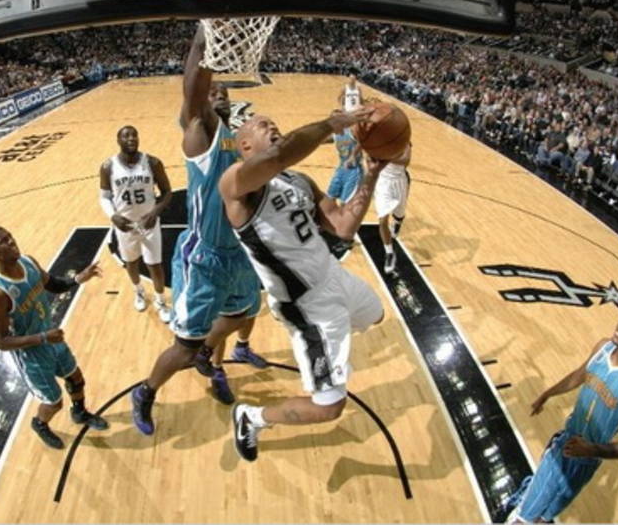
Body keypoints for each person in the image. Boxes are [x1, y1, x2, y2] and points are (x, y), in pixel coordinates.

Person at [218, 108, 394, 462]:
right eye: (262, 125)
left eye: (274, 122)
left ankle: (329, 354)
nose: (272, 124)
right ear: (245, 145)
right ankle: (252, 417)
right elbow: (278, 155)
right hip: (308, 306)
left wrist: (371, 175)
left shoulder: (298, 180)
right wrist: (330, 125)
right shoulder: (236, 185)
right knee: (329, 407)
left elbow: (342, 227)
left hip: (333, 276)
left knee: (376, 314)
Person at [129, 25, 268, 435]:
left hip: (238, 252)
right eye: (212, 92)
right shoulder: (200, 135)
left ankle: (213, 359)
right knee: (185, 347)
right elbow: (193, 91)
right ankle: (146, 391)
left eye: (224, 91)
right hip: (205, 255)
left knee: (239, 313)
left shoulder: (237, 139)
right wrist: (205, 36)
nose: (219, 93)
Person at [507, 300, 618, 523]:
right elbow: (577, 376)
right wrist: (548, 393)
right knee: (523, 520)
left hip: (587, 462)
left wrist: (589, 449)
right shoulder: (602, 347)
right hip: (563, 447)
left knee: (544, 519)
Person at [0, 226, 109, 449]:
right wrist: (42, 338)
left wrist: (78, 279)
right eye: (4, 241)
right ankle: (40, 424)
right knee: (54, 402)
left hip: (51, 338)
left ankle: (79, 413)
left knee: (76, 378)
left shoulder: (28, 263)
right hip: (31, 355)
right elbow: (0, 342)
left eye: (10, 236)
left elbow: (53, 284)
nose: (11, 241)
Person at [99, 125, 173, 323]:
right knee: (131, 262)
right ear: (118, 141)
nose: (131, 138)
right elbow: (104, 197)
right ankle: (138, 291)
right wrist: (113, 216)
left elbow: (167, 192)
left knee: (155, 265)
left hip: (149, 223)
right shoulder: (108, 166)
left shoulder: (152, 162)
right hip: (125, 225)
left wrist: (155, 212)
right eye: (126, 136)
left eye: (134, 135)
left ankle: (160, 300)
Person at [374, 143, 412, 274]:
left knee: (399, 214)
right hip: (383, 183)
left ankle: (398, 222)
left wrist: (386, 156)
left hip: (399, 181)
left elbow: (406, 160)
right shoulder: (378, 139)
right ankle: (389, 253)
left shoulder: (403, 140)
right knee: (382, 220)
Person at [325, 109, 365, 204]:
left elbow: (363, 140)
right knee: (329, 199)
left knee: (345, 203)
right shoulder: (335, 134)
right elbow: (321, 140)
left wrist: (353, 155)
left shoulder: (352, 130)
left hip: (354, 171)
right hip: (341, 169)